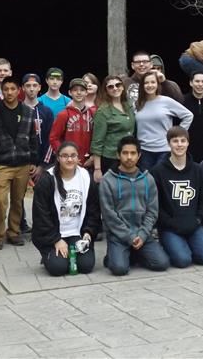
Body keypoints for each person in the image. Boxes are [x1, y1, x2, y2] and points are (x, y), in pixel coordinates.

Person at [0, 75, 38, 249]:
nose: (9, 92)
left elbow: (33, 138)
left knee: (18, 200)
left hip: (22, 163)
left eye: (13, 89)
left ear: (19, 90)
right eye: (6, 89)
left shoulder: (28, 111)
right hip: (2, 163)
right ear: (2, 91)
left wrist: (34, 160)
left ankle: (14, 232)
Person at [99, 136, 170, 276]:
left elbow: (152, 211)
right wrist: (129, 237)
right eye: (125, 153)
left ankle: (133, 253)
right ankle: (115, 256)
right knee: (119, 269)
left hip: (143, 234)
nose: (129, 157)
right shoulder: (108, 180)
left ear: (139, 156)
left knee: (162, 263)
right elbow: (108, 214)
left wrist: (142, 235)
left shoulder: (148, 179)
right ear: (118, 155)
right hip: (119, 235)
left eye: (133, 153)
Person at [31, 142, 101, 276]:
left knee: (86, 266)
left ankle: (66, 253)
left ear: (78, 158)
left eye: (73, 156)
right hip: (54, 233)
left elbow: (94, 209)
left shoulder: (86, 177)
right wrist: (56, 240)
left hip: (77, 232)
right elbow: (41, 215)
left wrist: (88, 232)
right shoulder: (47, 179)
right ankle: (48, 254)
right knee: (58, 268)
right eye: (65, 156)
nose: (69, 159)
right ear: (58, 158)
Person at [150, 127, 203, 268]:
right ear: (169, 144)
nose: (179, 144)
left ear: (188, 143)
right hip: (170, 227)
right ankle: (170, 244)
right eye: (175, 141)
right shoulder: (157, 172)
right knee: (182, 260)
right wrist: (170, 223)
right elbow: (155, 206)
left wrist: (198, 220)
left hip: (193, 225)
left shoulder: (198, 170)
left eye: (183, 141)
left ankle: (187, 245)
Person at [19, 72, 56, 233]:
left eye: (35, 86)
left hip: (43, 162)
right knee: (18, 196)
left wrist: (42, 165)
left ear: (40, 88)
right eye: (28, 85)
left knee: (44, 195)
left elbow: (51, 139)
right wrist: (24, 163)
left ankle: (43, 226)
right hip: (21, 162)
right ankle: (20, 225)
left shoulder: (46, 111)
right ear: (22, 88)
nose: (31, 89)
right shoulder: (17, 109)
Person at [135, 72, 193, 171]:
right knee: (147, 182)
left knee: (162, 183)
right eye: (146, 83)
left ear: (157, 84)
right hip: (144, 151)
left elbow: (188, 115)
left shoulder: (166, 101)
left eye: (153, 82)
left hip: (164, 150)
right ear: (142, 86)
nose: (150, 85)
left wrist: (178, 134)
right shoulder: (138, 103)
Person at [91, 75, 136, 182]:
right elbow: (97, 141)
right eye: (110, 87)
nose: (115, 88)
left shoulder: (128, 105)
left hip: (129, 156)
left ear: (123, 87)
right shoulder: (103, 111)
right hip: (111, 158)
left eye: (118, 85)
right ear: (106, 91)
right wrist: (97, 169)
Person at [49, 78, 96, 168]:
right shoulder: (63, 114)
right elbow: (54, 138)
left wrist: (94, 156)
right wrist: (65, 156)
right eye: (75, 90)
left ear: (86, 93)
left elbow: (97, 138)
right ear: (70, 93)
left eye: (82, 90)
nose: (79, 93)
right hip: (69, 162)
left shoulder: (92, 113)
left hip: (88, 162)